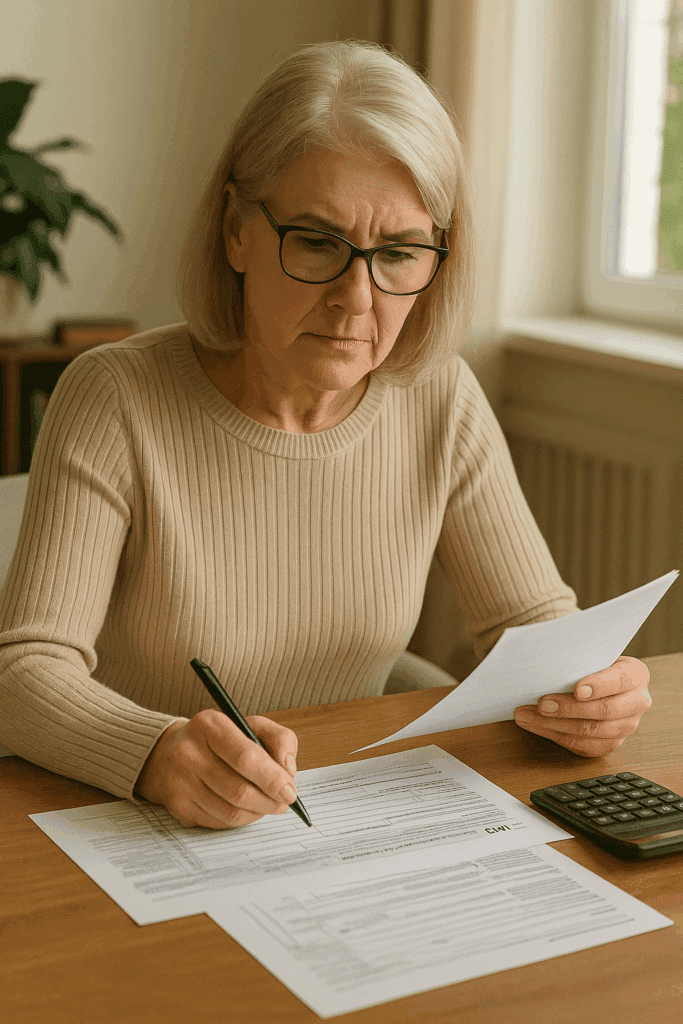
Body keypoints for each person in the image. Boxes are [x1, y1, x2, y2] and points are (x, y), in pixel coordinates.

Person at [0, 40, 651, 830]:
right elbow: (24, 670)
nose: (355, 298)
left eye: (400, 253)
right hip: (139, 828)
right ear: (236, 231)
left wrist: (590, 694)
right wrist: (154, 752)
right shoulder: (114, 395)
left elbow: (534, 626)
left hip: (343, 820)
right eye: (316, 242)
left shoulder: (438, 396)